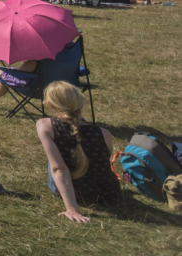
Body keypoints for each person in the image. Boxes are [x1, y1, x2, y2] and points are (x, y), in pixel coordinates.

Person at [35, 81, 121, 221]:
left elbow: (59, 169)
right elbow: (102, 164)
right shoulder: (104, 133)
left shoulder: (44, 125)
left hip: (76, 195)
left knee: (53, 161)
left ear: (51, 105)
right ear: (80, 103)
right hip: (108, 193)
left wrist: (72, 209)